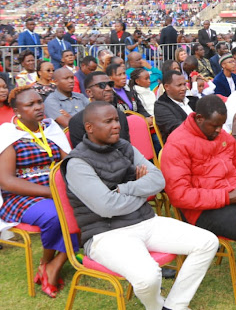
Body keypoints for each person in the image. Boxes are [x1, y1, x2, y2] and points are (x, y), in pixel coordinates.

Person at [63, 102, 219, 310]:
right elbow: (107, 207)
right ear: (89, 128)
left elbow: (158, 180)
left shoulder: (123, 146)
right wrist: (141, 193)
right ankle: (156, 307)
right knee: (148, 277)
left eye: (117, 120)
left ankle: (173, 306)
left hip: (146, 221)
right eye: (108, 121)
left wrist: (123, 189)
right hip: (106, 234)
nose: (117, 125)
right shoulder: (77, 163)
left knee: (207, 242)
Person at [160, 95, 236, 289]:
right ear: (199, 118)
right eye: (214, 126)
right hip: (202, 210)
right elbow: (179, 195)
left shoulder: (222, 135)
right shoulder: (177, 144)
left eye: (222, 125)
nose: (219, 130)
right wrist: (226, 197)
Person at [0, 86, 74, 298]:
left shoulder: (50, 129)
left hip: (54, 190)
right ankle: (48, 263)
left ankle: (51, 264)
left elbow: (67, 163)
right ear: (17, 111)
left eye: (39, 102)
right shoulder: (8, 135)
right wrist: (50, 192)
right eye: (30, 105)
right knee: (56, 215)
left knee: (87, 208)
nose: (38, 107)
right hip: (21, 196)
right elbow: (6, 181)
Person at [69, 72, 131, 148]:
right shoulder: (77, 121)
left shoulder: (120, 115)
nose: (108, 88)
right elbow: (83, 154)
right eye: (102, 85)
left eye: (110, 84)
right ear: (89, 92)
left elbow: (126, 147)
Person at [154, 70, 198, 141]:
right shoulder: (161, 106)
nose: (184, 88)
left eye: (184, 84)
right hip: (181, 146)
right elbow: (177, 128)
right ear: (167, 87)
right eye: (179, 85)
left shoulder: (193, 100)